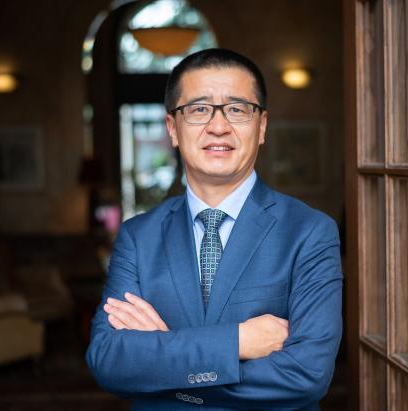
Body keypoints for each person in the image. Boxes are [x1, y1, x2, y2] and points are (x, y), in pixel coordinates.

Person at [86, 48, 343, 410]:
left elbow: (307, 374)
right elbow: (108, 360)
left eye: (237, 109)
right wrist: (238, 341)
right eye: (199, 110)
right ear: (172, 128)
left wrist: (164, 369)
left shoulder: (310, 232)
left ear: (261, 126)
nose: (218, 126)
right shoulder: (137, 237)